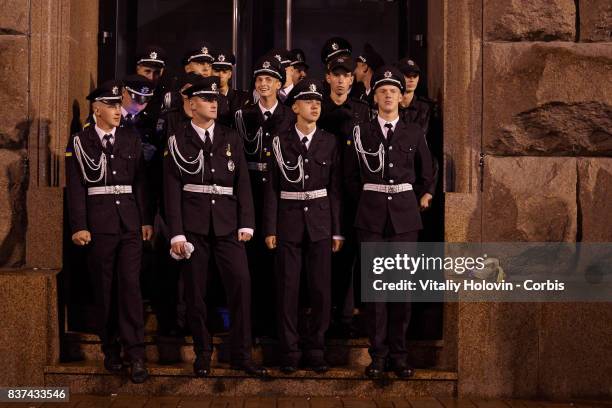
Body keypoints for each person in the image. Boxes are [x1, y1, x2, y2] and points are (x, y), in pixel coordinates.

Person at [163, 76, 268, 378]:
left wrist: (247, 221)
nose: (213, 103)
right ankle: (203, 353)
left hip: (227, 224)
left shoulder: (230, 137)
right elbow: (171, 190)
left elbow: (243, 184)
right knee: (196, 293)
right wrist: (177, 233)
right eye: (206, 99)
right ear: (192, 105)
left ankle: (241, 354)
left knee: (241, 285)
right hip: (193, 226)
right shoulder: (177, 139)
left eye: (215, 99)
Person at [344, 66, 434, 379]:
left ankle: (399, 355)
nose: (388, 96)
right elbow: (351, 176)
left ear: (399, 96)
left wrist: (425, 195)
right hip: (371, 218)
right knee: (376, 293)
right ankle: (378, 356)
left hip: (405, 219)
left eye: (393, 91)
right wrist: (369, 201)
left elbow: (428, 171)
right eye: (382, 91)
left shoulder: (413, 132)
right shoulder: (361, 132)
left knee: (402, 291)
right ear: (374, 96)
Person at [65, 80, 153, 383]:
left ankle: (137, 353)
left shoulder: (131, 138)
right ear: (96, 109)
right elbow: (76, 188)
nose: (118, 110)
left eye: (119, 104)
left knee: (130, 286)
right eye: (112, 105)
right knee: (104, 288)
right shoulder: (80, 141)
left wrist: (145, 220)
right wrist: (79, 225)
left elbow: (141, 182)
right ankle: (110, 348)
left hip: (128, 221)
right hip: (99, 224)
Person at [263, 78, 343, 373]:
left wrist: (337, 229)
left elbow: (335, 188)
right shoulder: (280, 142)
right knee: (288, 290)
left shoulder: (329, 141)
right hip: (289, 222)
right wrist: (270, 227)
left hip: (321, 223)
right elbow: (272, 187)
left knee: (321, 290)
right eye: (308, 102)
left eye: (318, 102)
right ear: (294, 106)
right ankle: (290, 351)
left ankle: (316, 349)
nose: (314, 106)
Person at [234, 56, 295, 338]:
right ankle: (251, 322)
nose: (263, 84)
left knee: (276, 260)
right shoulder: (242, 115)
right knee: (249, 260)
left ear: (279, 84)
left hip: (279, 193)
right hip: (250, 190)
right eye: (259, 79)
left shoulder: (289, 116)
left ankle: (273, 324)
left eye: (269, 79)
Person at [318, 55, 370, 338]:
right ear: (327, 77)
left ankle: (346, 317)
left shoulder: (362, 111)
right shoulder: (316, 106)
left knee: (349, 256)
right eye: (335, 75)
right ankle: (322, 317)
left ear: (352, 79)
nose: (340, 80)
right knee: (321, 258)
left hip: (352, 195)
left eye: (346, 75)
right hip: (318, 193)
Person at [212, 51, 250, 126]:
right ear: (211, 72)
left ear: (230, 74)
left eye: (224, 72)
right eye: (217, 71)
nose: (220, 75)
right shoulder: (205, 97)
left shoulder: (243, 98)